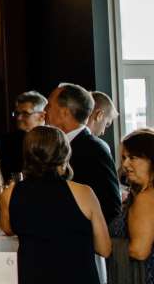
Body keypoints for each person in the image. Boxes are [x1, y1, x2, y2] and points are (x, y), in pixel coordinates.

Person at [0, 126, 110, 284]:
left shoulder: (10, 194)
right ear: (65, 154)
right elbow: (104, 249)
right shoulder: (84, 193)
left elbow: (8, 228)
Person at [108, 131, 154, 284]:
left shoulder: (147, 197)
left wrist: (103, 245)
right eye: (124, 157)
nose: (125, 164)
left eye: (133, 157)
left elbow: (139, 250)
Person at [50, 83, 123, 229]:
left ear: (64, 113)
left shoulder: (95, 149)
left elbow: (111, 206)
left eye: (49, 106)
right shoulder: (57, 145)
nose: (45, 111)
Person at [0, 91, 48, 184]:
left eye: (25, 113)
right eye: (17, 113)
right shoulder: (6, 142)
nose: (19, 118)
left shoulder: (53, 141)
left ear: (42, 116)